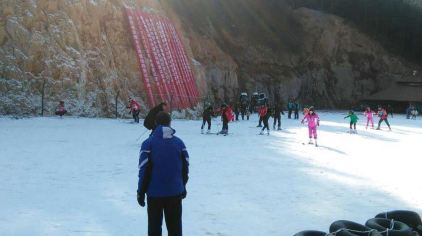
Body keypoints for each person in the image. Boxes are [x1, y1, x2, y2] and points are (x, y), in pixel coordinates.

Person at [137, 111, 189, 236]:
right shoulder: (179, 143)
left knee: (154, 230)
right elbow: (185, 167)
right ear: (170, 123)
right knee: (175, 229)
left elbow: (143, 170)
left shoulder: (147, 144)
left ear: (155, 123)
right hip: (175, 192)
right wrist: (183, 186)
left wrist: (140, 192)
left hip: (154, 195)